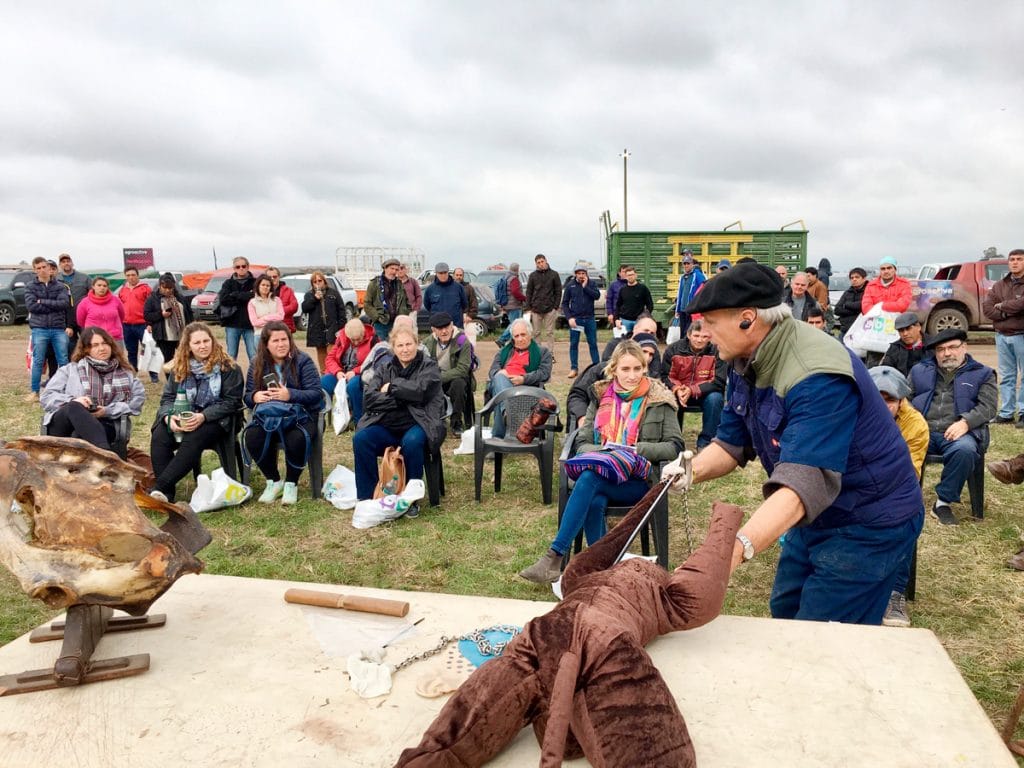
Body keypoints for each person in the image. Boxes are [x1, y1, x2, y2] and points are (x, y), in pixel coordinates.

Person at [396, 493, 744, 768]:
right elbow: (615, 544)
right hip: (568, 638)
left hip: (570, 637)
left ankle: (563, 721)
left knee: (463, 730)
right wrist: (667, 497)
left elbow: (705, 578)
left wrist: (725, 521)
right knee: (455, 736)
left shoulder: (667, 600)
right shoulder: (595, 579)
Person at [668, 261, 923, 625]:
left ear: (746, 318)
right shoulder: (744, 356)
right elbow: (732, 443)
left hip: (869, 518)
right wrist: (689, 471)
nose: (703, 331)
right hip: (816, 515)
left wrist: (731, 552)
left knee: (821, 635)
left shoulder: (816, 373)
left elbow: (805, 482)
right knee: (786, 611)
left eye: (710, 321)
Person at [519, 342, 682, 584]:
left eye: (638, 369)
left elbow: (675, 445)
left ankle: (554, 557)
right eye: (626, 369)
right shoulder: (600, 397)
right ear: (614, 369)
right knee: (593, 497)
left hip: (639, 480)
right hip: (604, 473)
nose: (632, 375)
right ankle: (604, 570)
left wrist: (635, 450)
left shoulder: (660, 399)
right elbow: (582, 442)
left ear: (645, 369)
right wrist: (608, 452)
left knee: (589, 479)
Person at [908, 329, 996, 525]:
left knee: (965, 450)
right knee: (896, 447)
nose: (946, 353)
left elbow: (988, 407)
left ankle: (942, 502)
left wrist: (965, 422)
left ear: (964, 347)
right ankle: (901, 497)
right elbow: (906, 401)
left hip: (958, 432)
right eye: (940, 349)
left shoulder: (983, 373)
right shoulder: (919, 371)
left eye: (952, 347)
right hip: (924, 431)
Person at [149, 323, 244, 502]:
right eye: (197, 342)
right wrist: (169, 416)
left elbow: (232, 402)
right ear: (188, 346)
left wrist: (203, 416)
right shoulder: (181, 368)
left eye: (206, 341)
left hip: (217, 421)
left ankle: (160, 487)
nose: (203, 346)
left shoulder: (228, 368)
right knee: (160, 434)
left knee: (194, 436)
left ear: (213, 341)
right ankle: (166, 495)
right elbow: (168, 398)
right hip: (184, 416)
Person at [352, 325, 446, 503]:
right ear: (393, 348)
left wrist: (392, 388)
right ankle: (367, 498)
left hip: (419, 424)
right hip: (387, 425)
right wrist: (403, 397)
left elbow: (421, 391)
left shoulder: (429, 366)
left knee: (411, 442)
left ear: (417, 344)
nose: (405, 349)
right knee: (361, 439)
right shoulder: (384, 368)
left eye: (409, 344)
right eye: (400, 345)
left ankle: (410, 500)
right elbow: (369, 399)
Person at [867, 365, 929, 628]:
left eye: (890, 400)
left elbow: (908, 476)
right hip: (853, 487)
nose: (883, 406)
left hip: (892, 490)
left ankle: (895, 593)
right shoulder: (849, 413)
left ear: (902, 400)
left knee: (907, 515)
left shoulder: (915, 425)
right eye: (877, 398)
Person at [243, 322, 322, 505]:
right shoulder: (257, 363)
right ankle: (274, 481)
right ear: (266, 344)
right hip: (269, 416)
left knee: (296, 439)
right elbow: (247, 396)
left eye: (284, 339)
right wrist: (256, 396)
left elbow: (316, 393)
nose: (281, 344)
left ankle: (291, 483)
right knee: (253, 436)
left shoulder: (303, 361)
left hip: (301, 416)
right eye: (275, 340)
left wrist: (290, 394)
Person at [41, 326, 146, 452]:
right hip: (63, 424)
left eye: (105, 343)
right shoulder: (70, 370)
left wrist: (107, 411)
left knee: (79, 437)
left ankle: (100, 458)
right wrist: (75, 400)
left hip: (104, 423)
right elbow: (47, 397)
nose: (101, 348)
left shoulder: (125, 373)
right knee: (74, 406)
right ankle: (107, 456)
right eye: (95, 345)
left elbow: (136, 403)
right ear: (86, 349)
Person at [662, 320, 727, 450]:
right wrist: (677, 389)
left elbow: (719, 381)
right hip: (679, 391)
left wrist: (692, 390)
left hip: (704, 393)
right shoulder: (673, 350)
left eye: (704, 337)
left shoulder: (718, 351)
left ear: (710, 337)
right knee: (665, 398)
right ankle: (673, 441)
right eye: (696, 336)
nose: (700, 340)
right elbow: (665, 376)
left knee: (716, 398)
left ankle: (706, 442)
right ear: (689, 334)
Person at [487, 318, 552, 439]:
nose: (520, 339)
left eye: (523, 334)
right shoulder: (503, 352)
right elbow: (492, 371)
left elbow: (544, 373)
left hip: (527, 388)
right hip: (504, 383)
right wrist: (502, 373)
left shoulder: (543, 352)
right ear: (513, 338)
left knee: (500, 398)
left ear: (530, 334)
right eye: (516, 336)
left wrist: (523, 379)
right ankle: (508, 411)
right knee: (500, 378)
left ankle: (497, 437)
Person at [982, 247, 1024, 426]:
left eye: (1019, 259)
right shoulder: (1000, 285)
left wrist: (1002, 306)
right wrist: (1007, 312)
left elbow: (1021, 304)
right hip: (1002, 336)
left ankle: (1022, 412)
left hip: (1021, 335)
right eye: (1012, 259)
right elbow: (987, 308)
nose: (1014, 262)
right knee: (1007, 376)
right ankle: (1006, 412)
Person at [25, 256, 72, 402]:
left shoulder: (60, 286)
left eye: (44, 267)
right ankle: (34, 391)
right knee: (38, 360)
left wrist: (42, 301)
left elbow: (63, 304)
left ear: (49, 268)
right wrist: (52, 304)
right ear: (35, 270)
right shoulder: (30, 287)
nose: (42, 270)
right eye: (38, 268)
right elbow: (32, 306)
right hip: (39, 329)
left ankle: (66, 389)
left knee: (63, 360)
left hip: (58, 328)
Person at [424, 312, 474, 435]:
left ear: (452, 325)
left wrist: (439, 378)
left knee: (459, 384)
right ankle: (431, 421)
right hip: (435, 379)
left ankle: (456, 422)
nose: (444, 331)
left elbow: (463, 369)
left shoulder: (463, 341)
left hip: (455, 378)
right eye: (440, 329)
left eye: (447, 327)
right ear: (433, 330)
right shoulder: (427, 343)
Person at [322, 318, 378, 422]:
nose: (356, 342)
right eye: (353, 340)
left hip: (360, 374)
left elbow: (373, 362)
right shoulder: (341, 338)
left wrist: (355, 371)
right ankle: (320, 418)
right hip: (341, 373)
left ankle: (359, 421)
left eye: (359, 339)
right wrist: (337, 371)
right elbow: (330, 358)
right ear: (347, 336)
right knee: (323, 382)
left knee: (353, 386)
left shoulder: (373, 340)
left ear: (363, 333)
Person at [143, 273, 193, 375]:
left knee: (186, 358)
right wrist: (161, 314)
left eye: (170, 288)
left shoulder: (180, 297)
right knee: (168, 361)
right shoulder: (153, 298)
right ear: (160, 286)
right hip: (165, 337)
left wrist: (191, 329)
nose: (168, 290)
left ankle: (184, 379)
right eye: (165, 287)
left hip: (182, 335)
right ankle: (171, 382)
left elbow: (188, 313)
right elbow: (147, 315)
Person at [301, 271, 346, 371]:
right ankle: (324, 379)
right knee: (322, 358)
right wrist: (314, 298)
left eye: (319, 280)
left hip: (332, 329)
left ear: (324, 281)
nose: (317, 283)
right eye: (314, 281)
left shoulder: (333, 293)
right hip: (318, 330)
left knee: (332, 356)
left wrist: (341, 328)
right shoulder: (309, 295)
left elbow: (341, 311)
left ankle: (333, 375)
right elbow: (305, 308)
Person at [561, 264, 600, 378]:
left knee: (592, 343)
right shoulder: (570, 285)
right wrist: (569, 318)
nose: (581, 275)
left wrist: (585, 287)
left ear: (586, 274)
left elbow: (596, 296)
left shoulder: (591, 284)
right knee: (574, 344)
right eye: (579, 273)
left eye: (583, 273)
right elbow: (565, 303)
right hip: (576, 319)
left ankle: (596, 367)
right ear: (575, 274)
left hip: (589, 319)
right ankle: (574, 368)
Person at [218, 257, 257, 362]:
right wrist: (245, 296)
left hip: (250, 325)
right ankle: (232, 378)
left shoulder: (255, 282)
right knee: (231, 356)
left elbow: (256, 297)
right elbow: (224, 299)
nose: (241, 268)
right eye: (238, 266)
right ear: (234, 268)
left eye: (243, 266)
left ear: (248, 267)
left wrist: (235, 295)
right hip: (232, 324)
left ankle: (254, 378)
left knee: (254, 356)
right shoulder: (228, 283)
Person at [363, 257, 410, 340]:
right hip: (381, 324)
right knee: (381, 348)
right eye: (392, 269)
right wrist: (377, 317)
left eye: (396, 269)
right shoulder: (374, 284)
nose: (394, 272)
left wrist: (404, 315)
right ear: (385, 268)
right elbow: (367, 304)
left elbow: (407, 302)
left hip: (397, 324)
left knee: (396, 348)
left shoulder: (399, 284)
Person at [118, 267, 153, 378]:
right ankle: (133, 373)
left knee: (147, 350)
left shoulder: (145, 289)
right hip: (127, 325)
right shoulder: (122, 290)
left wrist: (150, 323)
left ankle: (153, 373)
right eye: (128, 275)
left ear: (138, 275)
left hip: (142, 325)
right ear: (125, 276)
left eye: (133, 275)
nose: (131, 277)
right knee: (131, 351)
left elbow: (152, 307)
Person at [525, 253, 561, 353]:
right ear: (536, 264)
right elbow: (529, 292)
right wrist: (528, 308)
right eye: (538, 262)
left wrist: (556, 306)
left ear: (546, 261)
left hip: (550, 309)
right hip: (536, 309)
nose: (541, 264)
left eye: (542, 261)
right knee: (536, 333)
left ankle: (550, 353)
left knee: (549, 332)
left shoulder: (554, 274)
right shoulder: (533, 276)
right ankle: (538, 353)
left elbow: (558, 291)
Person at [76, 277, 126, 344]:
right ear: (93, 286)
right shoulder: (84, 303)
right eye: (99, 285)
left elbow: (122, 316)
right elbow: (80, 321)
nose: (102, 288)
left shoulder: (116, 300)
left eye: (105, 286)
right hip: (94, 339)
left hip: (115, 338)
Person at [422, 262, 467, 329]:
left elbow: (464, 304)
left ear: (448, 273)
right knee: (437, 339)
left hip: (456, 326)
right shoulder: (430, 289)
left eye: (445, 273)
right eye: (440, 273)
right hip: (438, 327)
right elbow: (427, 306)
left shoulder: (458, 287)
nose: (443, 275)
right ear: (436, 273)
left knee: (461, 339)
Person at [673, 250, 706, 335]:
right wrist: (677, 309)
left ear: (692, 264)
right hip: (682, 309)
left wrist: (697, 304)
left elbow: (704, 287)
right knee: (683, 332)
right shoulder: (683, 277)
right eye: (684, 264)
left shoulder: (697, 275)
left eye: (688, 263)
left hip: (691, 309)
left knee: (689, 332)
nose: (686, 265)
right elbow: (680, 293)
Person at [494, 262, 527, 347]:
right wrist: (524, 298)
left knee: (513, 323)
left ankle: (511, 342)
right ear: (517, 269)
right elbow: (515, 291)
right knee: (514, 324)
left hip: (506, 304)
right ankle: (502, 339)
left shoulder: (506, 276)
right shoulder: (514, 279)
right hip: (514, 305)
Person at [614, 266, 653, 334]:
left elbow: (650, 305)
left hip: (639, 321)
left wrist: (645, 317)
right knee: (625, 342)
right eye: (628, 275)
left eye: (632, 274)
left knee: (639, 342)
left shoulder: (643, 288)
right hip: (625, 321)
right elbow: (618, 305)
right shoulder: (622, 289)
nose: (630, 277)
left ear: (636, 275)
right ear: (626, 276)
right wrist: (617, 319)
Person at [834, 267, 868, 337]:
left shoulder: (869, 291)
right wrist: (855, 310)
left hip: (862, 331)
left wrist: (846, 305)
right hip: (845, 329)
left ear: (864, 278)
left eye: (857, 277)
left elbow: (863, 306)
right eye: (852, 278)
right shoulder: (847, 292)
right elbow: (837, 310)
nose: (854, 279)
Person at [265, 266, 299, 333]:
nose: (272, 278)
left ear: (279, 277)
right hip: (268, 327)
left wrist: (279, 311)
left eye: (274, 276)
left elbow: (294, 306)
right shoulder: (263, 291)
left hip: (285, 326)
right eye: (269, 277)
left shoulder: (288, 290)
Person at [605, 265, 628, 330]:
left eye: (627, 272)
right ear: (619, 273)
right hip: (617, 315)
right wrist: (610, 313)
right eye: (623, 271)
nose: (625, 273)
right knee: (619, 337)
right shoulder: (613, 285)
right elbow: (609, 300)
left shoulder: (633, 284)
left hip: (630, 315)